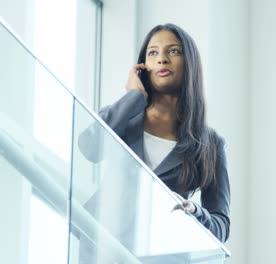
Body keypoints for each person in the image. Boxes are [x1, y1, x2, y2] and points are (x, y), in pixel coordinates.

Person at [79, 23, 230, 246]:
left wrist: (194, 211)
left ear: (190, 63)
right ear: (143, 66)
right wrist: (133, 97)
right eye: (153, 52)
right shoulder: (123, 116)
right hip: (98, 245)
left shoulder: (210, 144)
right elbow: (89, 147)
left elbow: (221, 227)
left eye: (174, 51)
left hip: (158, 250)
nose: (162, 59)